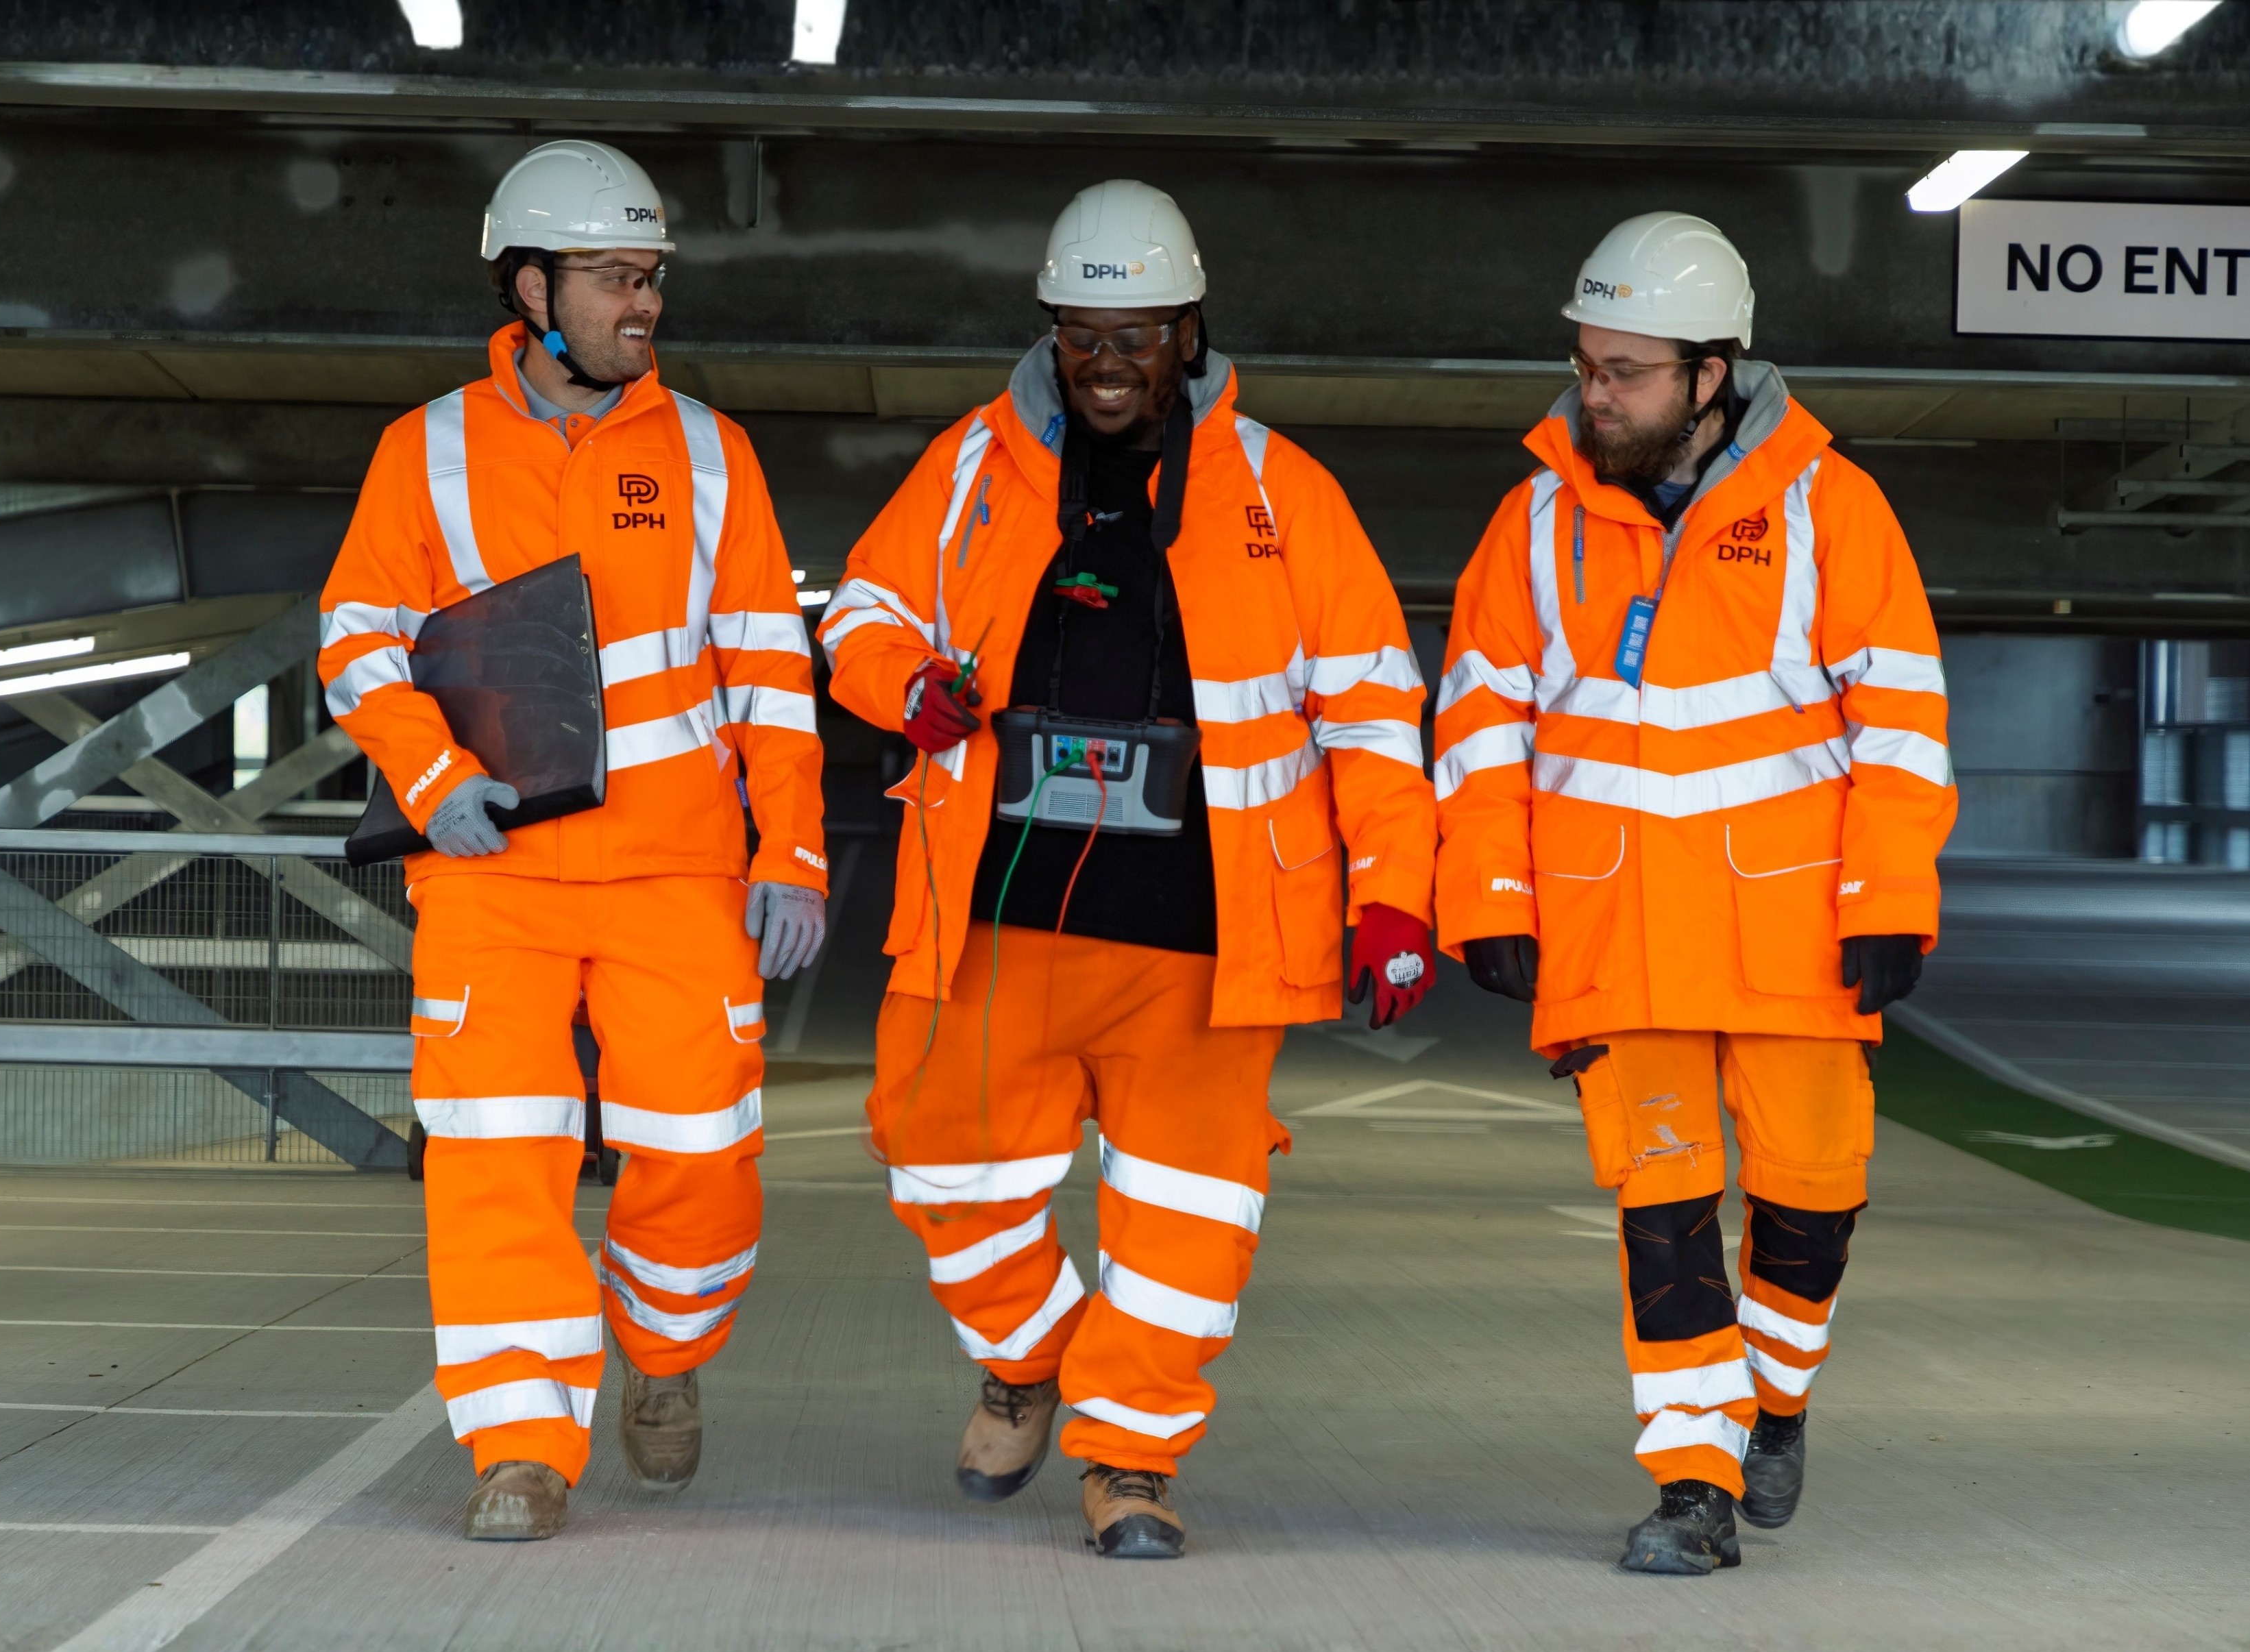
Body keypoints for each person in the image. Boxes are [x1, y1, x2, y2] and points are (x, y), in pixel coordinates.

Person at [820, 180, 1439, 1559]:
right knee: (933, 1156)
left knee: (1187, 1211)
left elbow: (1374, 710)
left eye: (1138, 334)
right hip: (993, 913)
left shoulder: (1286, 492)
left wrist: (1393, 890)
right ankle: (1036, 1348)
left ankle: (1131, 1458)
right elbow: (858, 604)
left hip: (1203, 932)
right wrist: (899, 680)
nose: (1107, 362)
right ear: (1051, 330)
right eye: (1083, 332)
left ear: (1189, 332)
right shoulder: (973, 464)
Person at [318, 138, 829, 1541]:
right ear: (532, 287)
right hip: (494, 876)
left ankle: (662, 1351)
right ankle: (520, 1442)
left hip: (676, 872)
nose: (642, 303)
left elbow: (772, 675)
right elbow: (355, 639)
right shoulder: (420, 450)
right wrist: (431, 780)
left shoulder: (714, 455)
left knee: (705, 1151)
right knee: (495, 1156)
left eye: (650, 275)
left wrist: (792, 850)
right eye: (614, 278)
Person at [1432, 212, 1955, 1573]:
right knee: (1663, 1221)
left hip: (1793, 930)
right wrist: (1488, 892)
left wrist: (1889, 895)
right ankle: (1693, 1482)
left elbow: (1898, 723)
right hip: (1618, 931)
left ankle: (1774, 1397)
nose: (1591, 393)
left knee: (1809, 1200)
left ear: (1709, 373)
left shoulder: (1831, 508)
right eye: (1586, 363)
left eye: (1624, 372)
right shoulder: (1534, 521)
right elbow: (1478, 724)